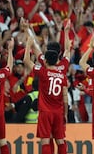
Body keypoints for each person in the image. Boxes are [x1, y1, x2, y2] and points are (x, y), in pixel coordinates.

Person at [23, 21, 72, 154]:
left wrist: (28, 37)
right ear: (58, 57)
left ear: (45, 60)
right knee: (60, 140)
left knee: (45, 140)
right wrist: (66, 31)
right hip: (59, 111)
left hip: (45, 112)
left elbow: (28, 59)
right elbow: (68, 50)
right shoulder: (62, 68)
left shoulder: (43, 71)